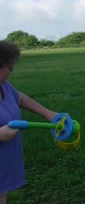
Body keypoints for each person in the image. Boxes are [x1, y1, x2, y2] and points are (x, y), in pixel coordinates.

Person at [0, 41, 58, 204]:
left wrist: (48, 113)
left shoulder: (3, 86)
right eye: (10, 66)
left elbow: (20, 98)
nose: (12, 70)